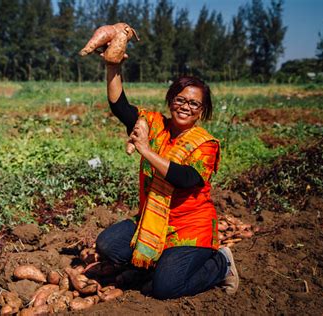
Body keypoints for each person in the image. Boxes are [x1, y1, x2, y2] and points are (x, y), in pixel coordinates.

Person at [95, 59, 239, 300]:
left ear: (201, 111)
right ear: (171, 100)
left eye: (194, 103)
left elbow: (185, 178)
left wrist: (146, 151)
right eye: (180, 99)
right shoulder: (154, 125)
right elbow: (120, 107)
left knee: (165, 289)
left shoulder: (205, 144)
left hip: (190, 227)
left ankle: (220, 263)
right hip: (153, 219)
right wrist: (113, 66)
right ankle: (158, 265)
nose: (185, 107)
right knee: (109, 244)